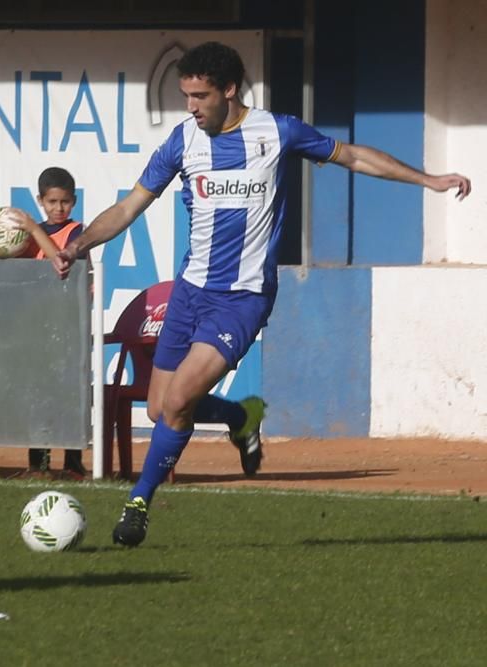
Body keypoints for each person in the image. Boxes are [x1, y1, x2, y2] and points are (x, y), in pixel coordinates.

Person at [52, 41, 471, 547]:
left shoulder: (278, 132)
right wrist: (76, 246)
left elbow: (354, 155)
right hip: (190, 292)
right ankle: (238, 415)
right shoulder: (183, 143)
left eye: (201, 95)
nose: (191, 106)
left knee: (181, 399)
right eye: (186, 95)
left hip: (243, 298)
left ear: (229, 90)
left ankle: (138, 503)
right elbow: (127, 209)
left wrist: (428, 180)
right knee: (161, 411)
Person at [0, 167, 88, 478]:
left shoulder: (77, 233)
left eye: (65, 202)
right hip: (35, 324)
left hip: (68, 323)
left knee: (68, 393)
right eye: (52, 201)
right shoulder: (23, 236)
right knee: (38, 394)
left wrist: (34, 230)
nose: (58, 208)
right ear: (41, 200)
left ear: (74, 201)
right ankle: (38, 462)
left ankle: (73, 461)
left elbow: (62, 263)